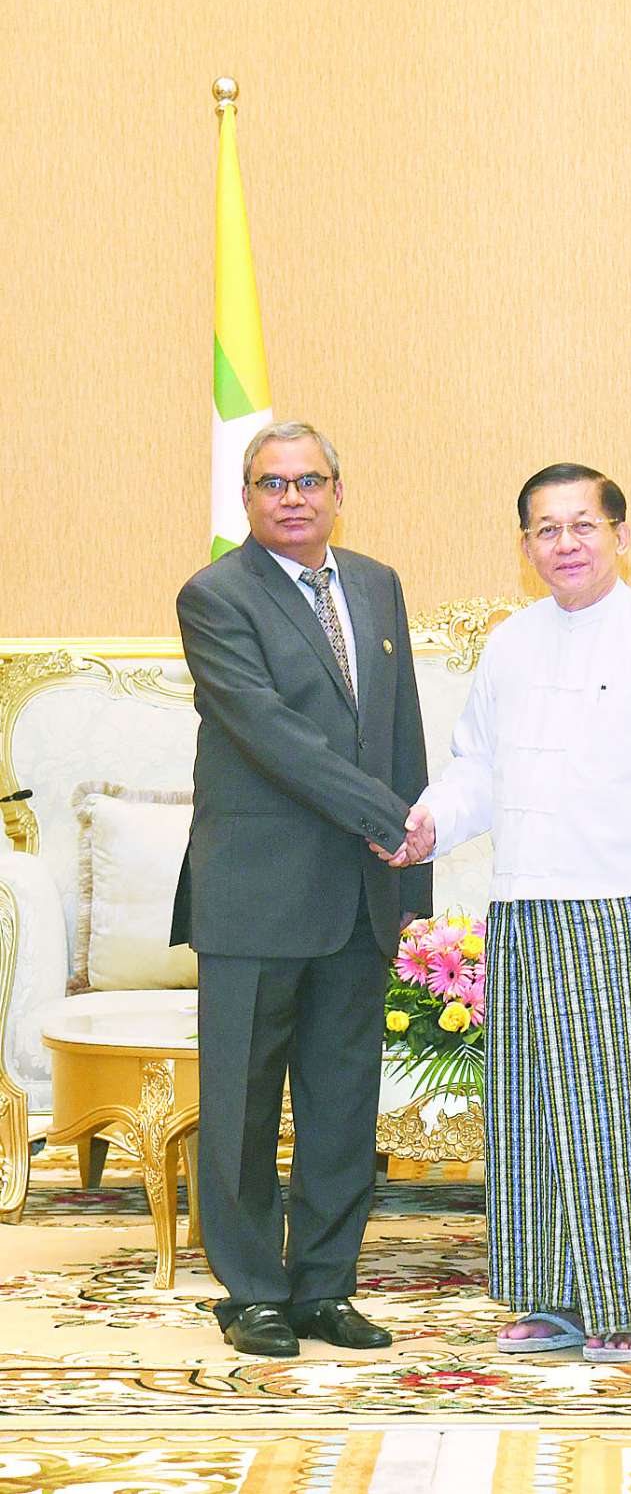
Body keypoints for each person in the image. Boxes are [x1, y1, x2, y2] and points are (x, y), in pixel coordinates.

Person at [378, 463, 631, 1363]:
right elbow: (478, 768)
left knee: (622, 1116)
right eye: (546, 529)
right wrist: (430, 823)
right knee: (530, 1112)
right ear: (525, 545)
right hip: (525, 909)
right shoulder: (511, 644)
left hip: (625, 912)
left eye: (583, 525)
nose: (565, 544)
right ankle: (552, 1299)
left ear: (620, 535)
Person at [172, 420, 432, 1358]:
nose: (293, 497)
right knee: (241, 1109)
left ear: (337, 491)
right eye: (272, 483)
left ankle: (324, 1288)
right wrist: (390, 817)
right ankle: (251, 1294)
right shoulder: (215, 596)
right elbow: (271, 734)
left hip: (360, 895)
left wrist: (412, 882)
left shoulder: (375, 584)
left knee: (342, 1105)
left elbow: (399, 730)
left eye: (309, 480)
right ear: (246, 498)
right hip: (254, 897)